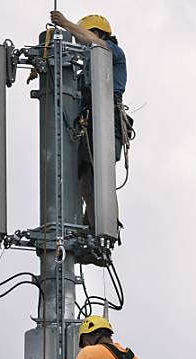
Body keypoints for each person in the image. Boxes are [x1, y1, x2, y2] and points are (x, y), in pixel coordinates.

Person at [49, 12, 129, 232]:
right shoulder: (86, 72)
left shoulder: (112, 52)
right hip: (90, 121)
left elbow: (94, 44)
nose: (80, 42)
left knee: (98, 175)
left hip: (106, 119)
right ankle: (91, 229)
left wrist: (65, 24)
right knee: (86, 176)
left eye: (86, 34)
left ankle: (102, 229)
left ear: (99, 32)